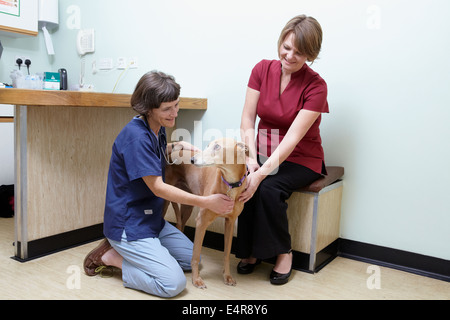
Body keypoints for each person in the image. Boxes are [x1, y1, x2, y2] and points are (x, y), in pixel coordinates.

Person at [83, 71, 235, 298]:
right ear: (148, 109)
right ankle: (111, 257)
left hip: (150, 218)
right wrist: (206, 201)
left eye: (176, 105)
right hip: (129, 224)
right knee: (172, 284)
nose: (174, 113)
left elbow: (152, 156)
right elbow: (158, 188)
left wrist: (176, 146)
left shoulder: (156, 128)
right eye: (167, 109)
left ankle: (145, 253)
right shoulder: (136, 137)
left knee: (191, 259)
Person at [236, 15, 329, 285]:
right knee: (244, 178)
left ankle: (283, 252)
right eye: (286, 47)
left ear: (311, 54)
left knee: (268, 187)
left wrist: (262, 173)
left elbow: (293, 138)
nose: (289, 56)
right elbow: (247, 118)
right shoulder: (261, 70)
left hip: (301, 158)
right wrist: (251, 159)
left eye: (299, 52)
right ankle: (250, 252)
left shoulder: (316, 86)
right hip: (263, 151)